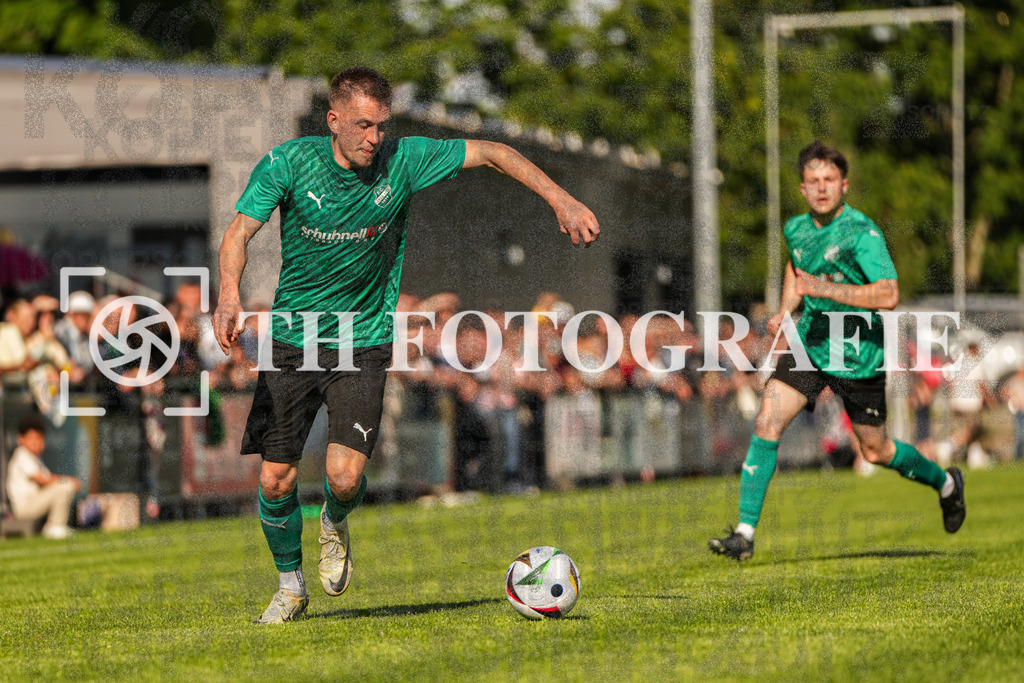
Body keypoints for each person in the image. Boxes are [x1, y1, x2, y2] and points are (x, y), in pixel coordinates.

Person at [213, 67, 599, 623]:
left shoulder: (404, 159)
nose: (374, 138)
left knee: (344, 477)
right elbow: (238, 232)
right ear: (333, 120)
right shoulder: (288, 163)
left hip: (364, 341)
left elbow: (493, 152)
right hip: (294, 341)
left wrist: (561, 201)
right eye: (362, 125)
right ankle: (290, 586)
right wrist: (229, 294)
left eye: (381, 126)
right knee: (276, 479)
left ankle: (334, 520)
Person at [708, 141, 965, 562]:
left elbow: (889, 294)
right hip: (811, 344)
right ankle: (744, 533)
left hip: (858, 354)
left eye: (830, 179)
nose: (822, 187)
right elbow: (797, 269)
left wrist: (823, 289)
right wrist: (784, 312)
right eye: (813, 180)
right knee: (767, 420)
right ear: (802, 188)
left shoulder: (861, 233)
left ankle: (947, 484)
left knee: (876, 450)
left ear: (844, 185)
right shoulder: (796, 229)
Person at [5, 414, 81, 539]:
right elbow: (43, 480)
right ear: (21, 439)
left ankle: (56, 527)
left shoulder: (35, 458)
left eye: (39, 438)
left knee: (65, 485)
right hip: (25, 506)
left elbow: (47, 480)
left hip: (34, 501)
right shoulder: (22, 454)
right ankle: (55, 526)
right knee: (66, 486)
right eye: (31, 438)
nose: (36, 442)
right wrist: (69, 480)